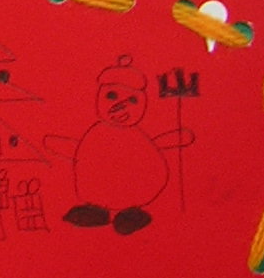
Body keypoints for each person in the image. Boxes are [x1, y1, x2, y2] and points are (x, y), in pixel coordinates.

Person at [45, 56, 193, 236]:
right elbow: (79, 151)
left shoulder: (136, 136)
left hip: (138, 187)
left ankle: (129, 214)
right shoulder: (96, 134)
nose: (121, 105)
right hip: (97, 188)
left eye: (132, 100)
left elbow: (157, 146)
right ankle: (98, 211)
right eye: (112, 96)